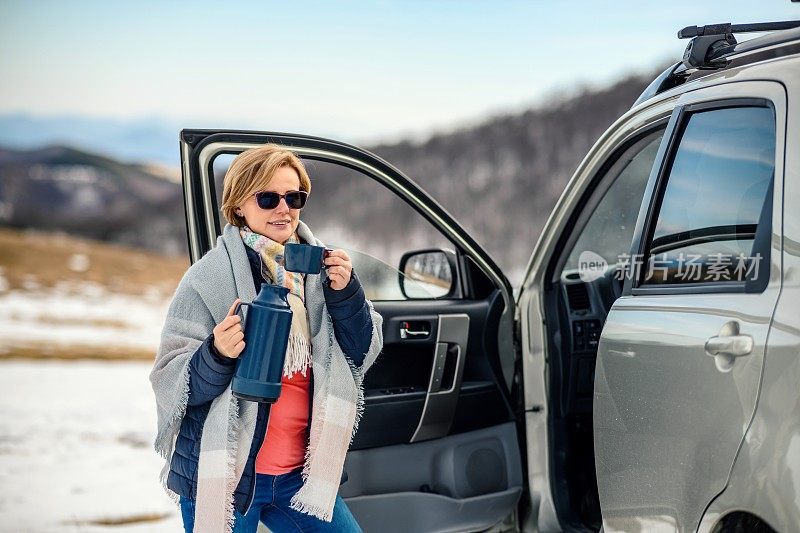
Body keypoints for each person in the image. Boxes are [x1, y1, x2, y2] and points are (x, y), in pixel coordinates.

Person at [150, 144, 383, 533]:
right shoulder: (206, 280)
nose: (284, 208)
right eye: (268, 197)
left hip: (299, 477)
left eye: (294, 197)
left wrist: (347, 295)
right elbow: (171, 380)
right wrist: (216, 353)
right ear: (239, 205)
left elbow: (359, 351)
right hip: (229, 477)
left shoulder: (321, 269)